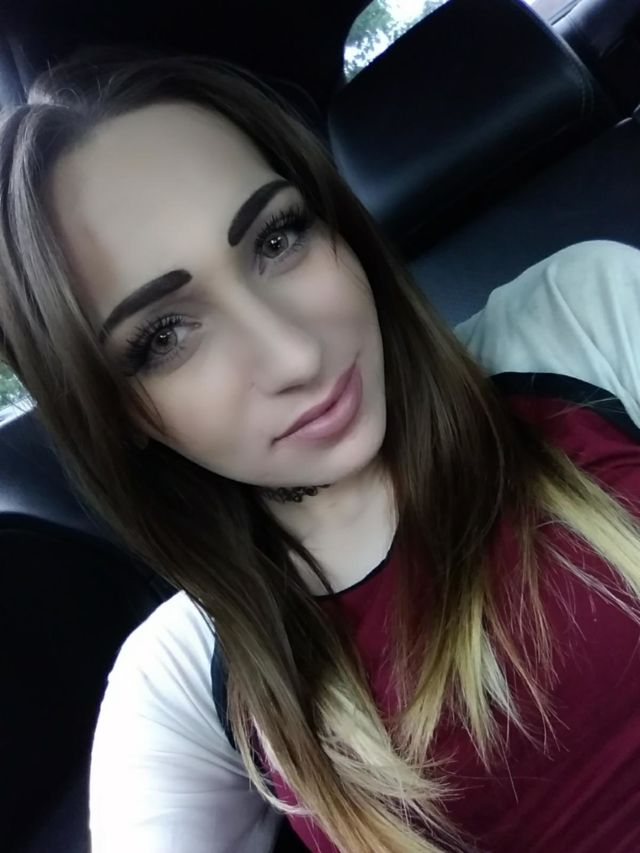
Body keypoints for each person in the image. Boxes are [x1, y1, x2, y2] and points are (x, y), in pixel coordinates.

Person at [0, 45, 639, 853]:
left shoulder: (587, 318)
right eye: (163, 336)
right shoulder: (183, 676)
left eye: (278, 237)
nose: (296, 354)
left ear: (335, 219)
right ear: (114, 409)